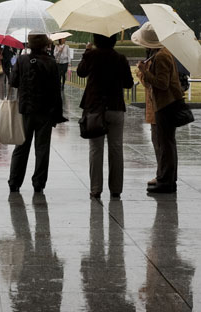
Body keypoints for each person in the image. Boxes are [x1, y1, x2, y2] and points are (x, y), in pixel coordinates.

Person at [76, 33, 134, 199]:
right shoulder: (120, 58)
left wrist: (86, 52)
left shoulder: (92, 55)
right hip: (115, 106)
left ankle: (96, 189)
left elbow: (80, 72)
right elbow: (128, 83)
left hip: (95, 108)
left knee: (96, 149)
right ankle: (116, 189)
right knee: (116, 149)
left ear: (95, 41)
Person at [8, 33, 63, 193]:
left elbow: (14, 82)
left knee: (21, 146)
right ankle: (38, 182)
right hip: (45, 111)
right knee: (42, 148)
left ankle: (14, 181)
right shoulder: (51, 62)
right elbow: (56, 90)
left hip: (26, 109)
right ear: (46, 45)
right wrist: (56, 114)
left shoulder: (22, 60)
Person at [133, 22, 184, 194]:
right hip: (160, 105)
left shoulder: (161, 56)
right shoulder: (158, 54)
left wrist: (143, 71)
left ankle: (166, 180)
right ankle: (164, 176)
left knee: (164, 144)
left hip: (164, 105)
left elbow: (162, 84)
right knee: (162, 143)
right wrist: (143, 73)